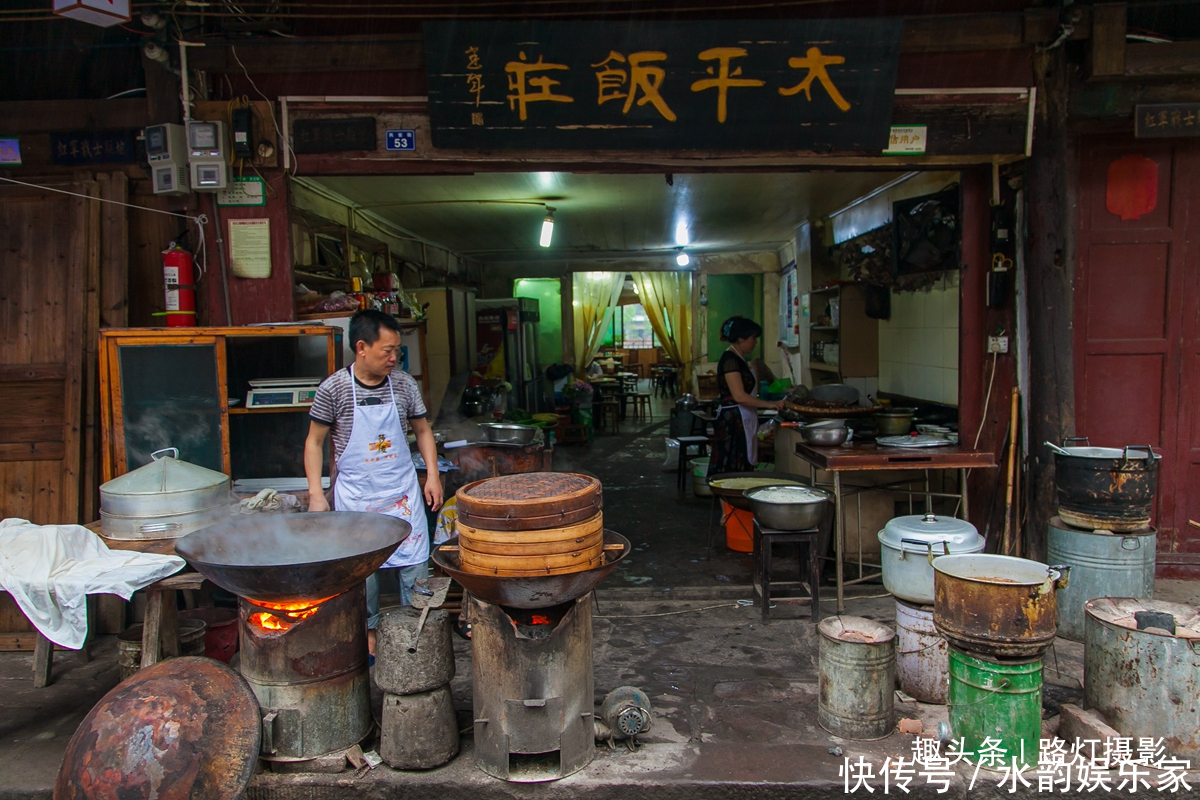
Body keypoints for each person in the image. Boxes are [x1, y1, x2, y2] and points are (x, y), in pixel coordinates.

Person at [305, 309, 443, 654]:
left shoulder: (403, 383)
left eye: (397, 350)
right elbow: (314, 442)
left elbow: (423, 430)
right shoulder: (334, 388)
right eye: (388, 351)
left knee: (415, 568)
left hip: (402, 494)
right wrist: (316, 494)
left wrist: (433, 476)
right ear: (362, 347)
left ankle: (419, 637)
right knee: (362, 576)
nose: (394, 358)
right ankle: (368, 637)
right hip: (357, 499)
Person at [707, 316, 785, 476]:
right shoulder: (730, 360)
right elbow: (739, 396)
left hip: (743, 418)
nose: (755, 342)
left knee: (742, 466)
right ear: (741, 338)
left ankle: (736, 500)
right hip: (734, 421)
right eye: (753, 338)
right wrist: (770, 404)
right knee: (731, 469)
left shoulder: (740, 358)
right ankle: (729, 500)